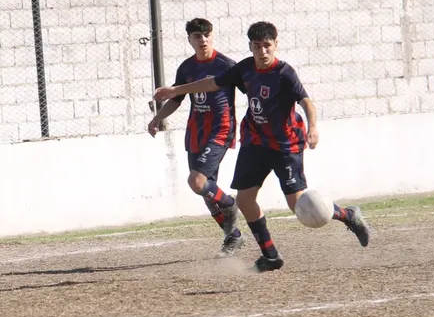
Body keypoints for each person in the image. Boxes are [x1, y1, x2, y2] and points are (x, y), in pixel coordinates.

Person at [153, 20, 370, 272]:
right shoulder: (244, 68)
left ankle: (348, 215)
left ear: (275, 45)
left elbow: (306, 101)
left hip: (286, 144)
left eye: (267, 46)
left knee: (298, 206)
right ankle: (270, 255)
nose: (263, 51)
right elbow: (212, 83)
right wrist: (177, 90)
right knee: (245, 201)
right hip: (255, 141)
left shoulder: (285, 73)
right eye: (257, 46)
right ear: (251, 47)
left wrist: (313, 127)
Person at [148, 18, 245, 257]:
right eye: (197, 37)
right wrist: (157, 118)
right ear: (190, 40)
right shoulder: (186, 68)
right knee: (205, 191)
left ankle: (231, 206)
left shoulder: (226, 65)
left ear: (212, 36)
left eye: (206, 35)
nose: (203, 40)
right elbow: (177, 99)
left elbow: (250, 90)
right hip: (196, 132)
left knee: (198, 182)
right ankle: (232, 236)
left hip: (220, 130)